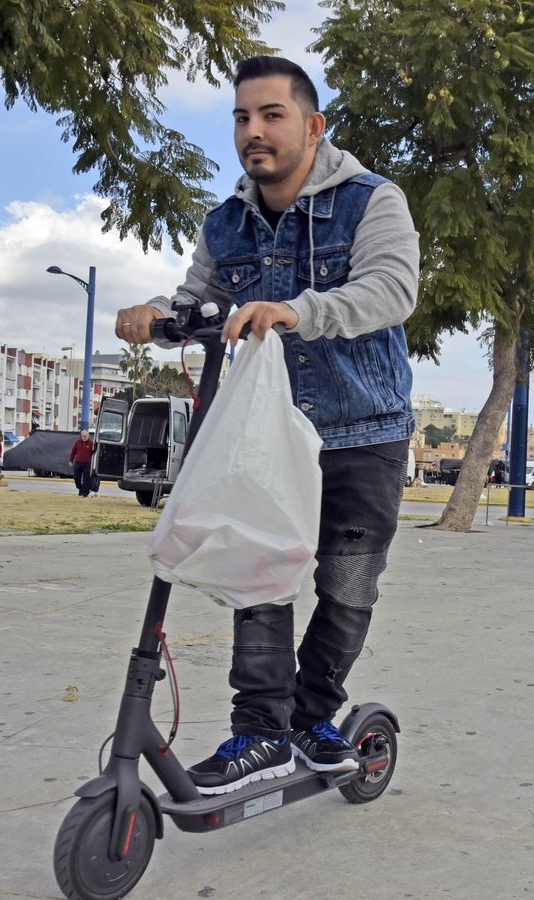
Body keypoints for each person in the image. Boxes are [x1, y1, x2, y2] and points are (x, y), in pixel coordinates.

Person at [114, 55, 418, 796]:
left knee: (347, 586)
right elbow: (200, 298)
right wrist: (156, 315)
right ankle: (259, 734)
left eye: (272, 115)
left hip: (362, 427)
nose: (254, 131)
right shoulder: (225, 223)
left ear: (313, 126)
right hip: (266, 433)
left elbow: (391, 289)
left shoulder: (371, 201)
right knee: (261, 575)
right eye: (242, 117)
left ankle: (312, 718)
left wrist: (296, 310)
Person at [69, 429, 96, 497]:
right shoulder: (77, 442)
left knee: (86, 479)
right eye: (82, 436)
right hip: (78, 463)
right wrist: (71, 460)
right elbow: (73, 452)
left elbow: (94, 453)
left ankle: (85, 493)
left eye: (85, 436)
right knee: (76, 477)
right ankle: (80, 489)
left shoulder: (91, 443)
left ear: (88, 436)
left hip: (87, 464)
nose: (83, 438)